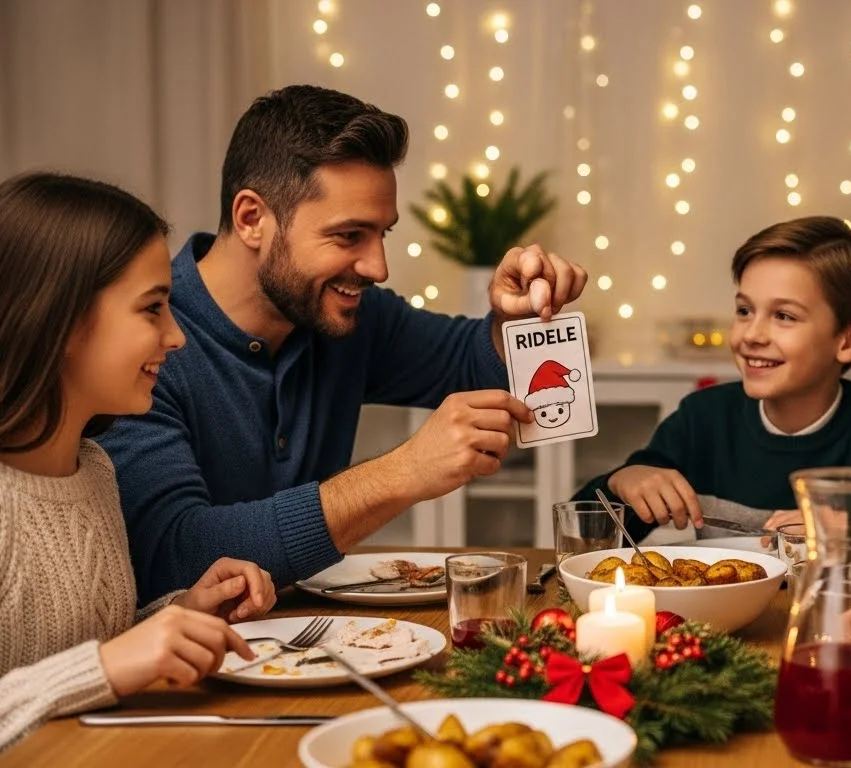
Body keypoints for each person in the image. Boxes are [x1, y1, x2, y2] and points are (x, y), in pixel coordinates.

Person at [96, 85, 588, 603]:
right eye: (349, 235)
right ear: (251, 219)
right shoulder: (148, 344)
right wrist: (402, 472)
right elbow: (172, 556)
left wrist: (515, 319)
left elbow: (472, 364)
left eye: (382, 234)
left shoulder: (347, 314)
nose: (378, 267)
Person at [0, 173, 276, 750]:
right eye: (152, 308)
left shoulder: (94, 470)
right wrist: (107, 665)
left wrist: (182, 615)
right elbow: (93, 668)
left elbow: (79, 657)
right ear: (59, 319)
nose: (176, 337)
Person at [573, 216, 851, 563]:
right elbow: (581, 539)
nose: (751, 335)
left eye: (784, 316)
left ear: (850, 340)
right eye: (744, 310)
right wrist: (619, 481)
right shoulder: (701, 420)